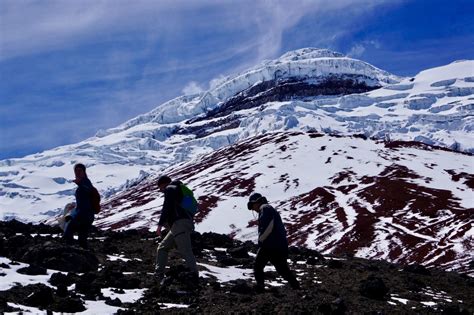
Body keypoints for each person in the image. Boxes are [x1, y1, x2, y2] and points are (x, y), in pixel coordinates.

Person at [247, 192, 300, 292]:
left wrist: (261, 240)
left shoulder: (265, 209)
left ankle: (260, 287)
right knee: (282, 269)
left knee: (258, 265)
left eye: (252, 205)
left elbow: (268, 227)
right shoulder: (269, 209)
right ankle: (296, 286)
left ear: (256, 202)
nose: (253, 209)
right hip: (280, 246)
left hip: (269, 245)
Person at [155, 175, 198, 281]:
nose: (161, 191)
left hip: (179, 223)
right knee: (163, 247)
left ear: (164, 184)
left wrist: (160, 225)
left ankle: (194, 276)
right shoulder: (178, 189)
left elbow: (167, 206)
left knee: (185, 250)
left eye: (160, 188)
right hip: (180, 224)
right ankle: (158, 274)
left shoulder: (170, 189)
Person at [63, 163, 95, 249]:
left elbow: (87, 189)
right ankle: (85, 258)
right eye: (76, 171)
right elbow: (84, 200)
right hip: (86, 215)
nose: (77, 172)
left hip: (83, 215)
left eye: (79, 170)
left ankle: (71, 253)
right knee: (82, 239)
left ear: (84, 171)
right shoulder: (83, 183)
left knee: (68, 232)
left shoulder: (86, 182)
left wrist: (80, 183)